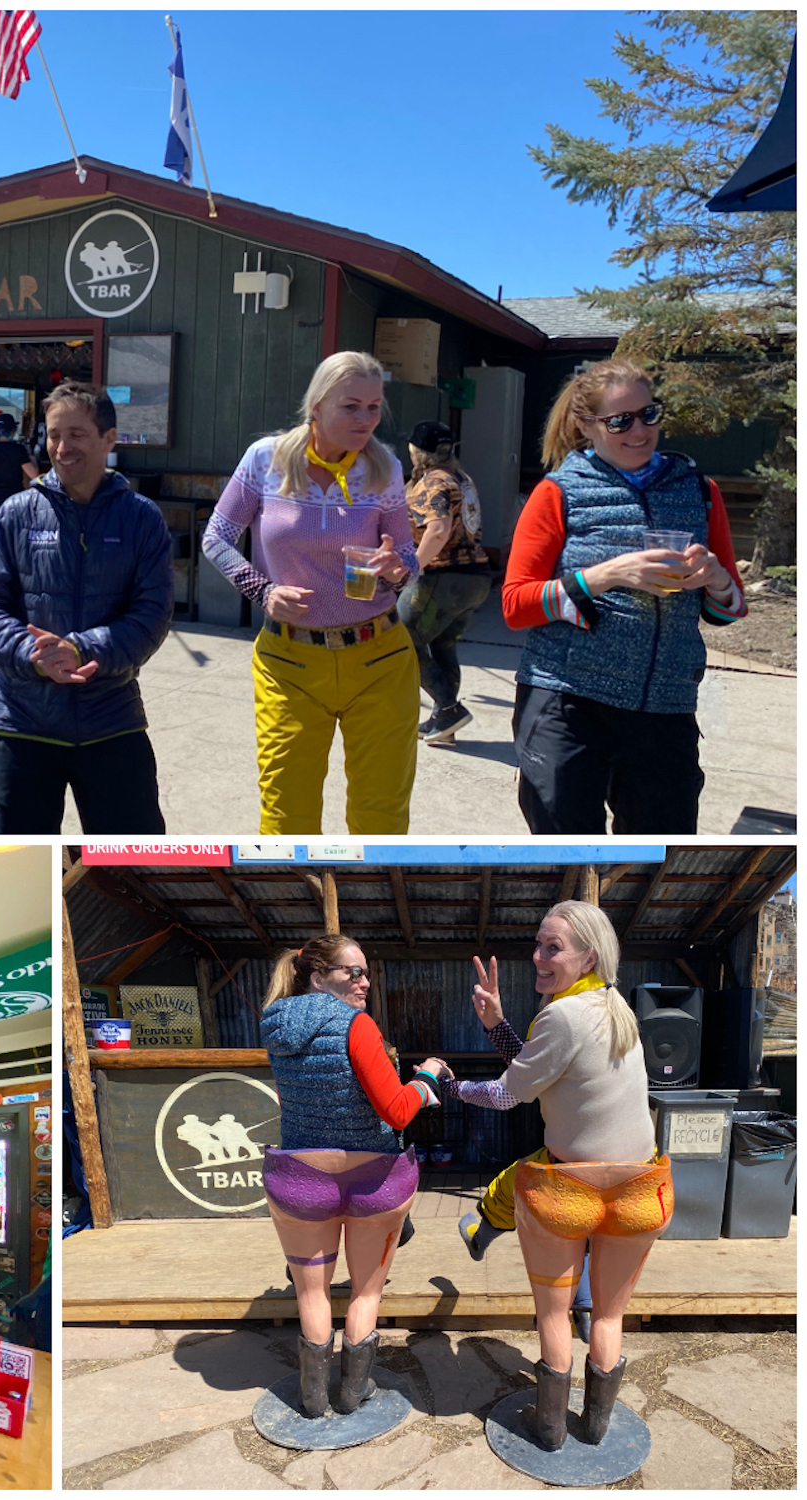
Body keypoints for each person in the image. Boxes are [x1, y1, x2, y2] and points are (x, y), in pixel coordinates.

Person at [448, 900, 671, 1450]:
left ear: (587, 954)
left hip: (570, 1191)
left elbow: (508, 1093)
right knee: (608, 1314)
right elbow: (542, 1070)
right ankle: (594, 1429)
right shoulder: (613, 1005)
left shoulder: (561, 1015)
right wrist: (497, 1024)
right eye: (539, 943)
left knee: (552, 1310)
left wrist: (448, 1089)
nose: (538, 956)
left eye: (553, 947)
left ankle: (548, 1432)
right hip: (642, 1190)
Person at [504, 359, 746, 833]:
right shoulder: (558, 492)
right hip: (567, 699)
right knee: (566, 851)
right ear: (586, 426)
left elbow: (730, 607)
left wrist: (715, 579)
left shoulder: (699, 490)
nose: (639, 430)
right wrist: (605, 575)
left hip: (666, 705)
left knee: (657, 852)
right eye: (620, 420)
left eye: (648, 414)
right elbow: (515, 605)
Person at [203, 351, 420, 835]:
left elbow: (407, 559)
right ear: (317, 406)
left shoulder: (384, 468)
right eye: (351, 406)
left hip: (380, 658)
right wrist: (262, 590)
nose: (366, 419)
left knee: (380, 817)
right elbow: (215, 537)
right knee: (287, 817)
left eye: (374, 406)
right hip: (289, 662)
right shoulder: (266, 460)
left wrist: (393, 570)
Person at [0, 381, 173, 834]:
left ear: (109, 439)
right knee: (21, 869)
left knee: (133, 866)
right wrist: (31, 654)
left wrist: (81, 650)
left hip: (110, 719)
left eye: (77, 434)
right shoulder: (17, 513)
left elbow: (152, 612)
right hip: (22, 722)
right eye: (54, 434)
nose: (62, 447)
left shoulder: (141, 518)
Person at [259, 934, 447, 1419]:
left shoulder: (275, 1024)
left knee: (310, 1293)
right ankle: (353, 1393)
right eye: (352, 972)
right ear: (319, 976)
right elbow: (398, 1111)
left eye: (366, 972)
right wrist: (425, 1077)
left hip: (300, 1180)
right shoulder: (356, 1026)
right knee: (365, 1291)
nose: (365, 981)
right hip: (372, 1182)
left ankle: (313, 1399)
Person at [396, 419, 492, 746]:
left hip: (444, 576)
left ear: (417, 451)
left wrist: (412, 567)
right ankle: (443, 721)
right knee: (443, 644)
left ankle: (449, 708)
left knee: (399, 636)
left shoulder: (432, 482)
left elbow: (437, 530)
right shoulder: (461, 479)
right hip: (476, 577)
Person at [0, 413, 39, 540]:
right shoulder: (19, 449)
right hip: (15, 499)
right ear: (13, 430)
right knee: (15, 539)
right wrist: (32, 457)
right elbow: (34, 475)